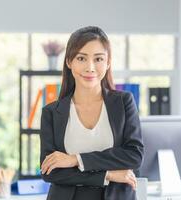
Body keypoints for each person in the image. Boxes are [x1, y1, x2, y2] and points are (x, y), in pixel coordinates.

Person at [39, 26, 144, 200]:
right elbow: (50, 172)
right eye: (81, 58)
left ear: (108, 62)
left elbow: (134, 156)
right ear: (69, 62)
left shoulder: (124, 103)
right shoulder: (51, 112)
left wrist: (75, 159)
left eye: (98, 59)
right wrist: (106, 175)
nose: (90, 67)